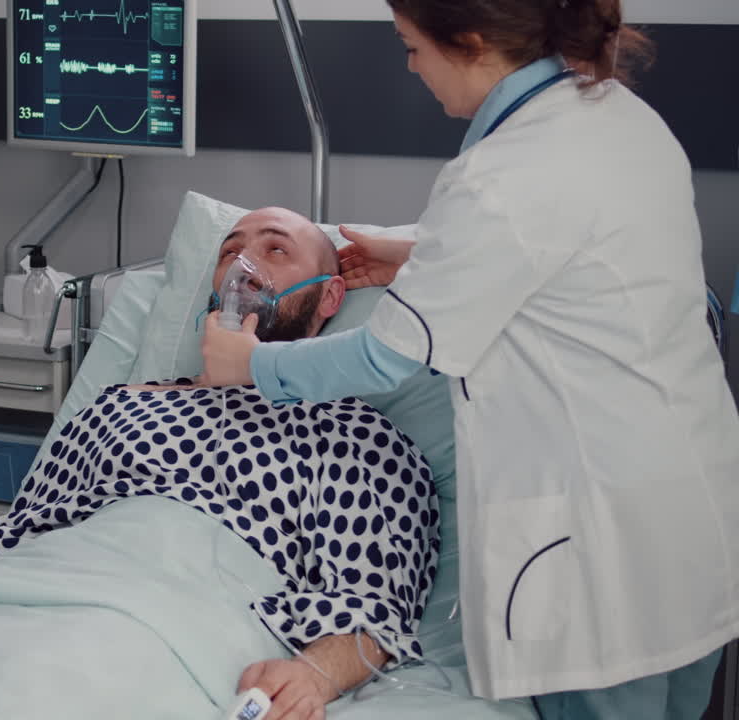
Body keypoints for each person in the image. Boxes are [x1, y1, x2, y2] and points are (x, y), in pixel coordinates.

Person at [200, 2, 739, 718]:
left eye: (411, 46)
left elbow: (387, 359)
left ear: (472, 43)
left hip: (601, 543)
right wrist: (427, 257)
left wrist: (251, 365)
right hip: (693, 502)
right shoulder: (623, 118)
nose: (410, 67)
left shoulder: (498, 176)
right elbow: (574, 258)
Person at [0, 206, 442, 719]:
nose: (243, 266)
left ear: (329, 295)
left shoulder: (351, 432)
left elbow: (374, 605)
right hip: (28, 593)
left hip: (168, 623)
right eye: (230, 251)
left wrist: (312, 676)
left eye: (276, 249)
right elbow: (17, 530)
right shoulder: (117, 404)